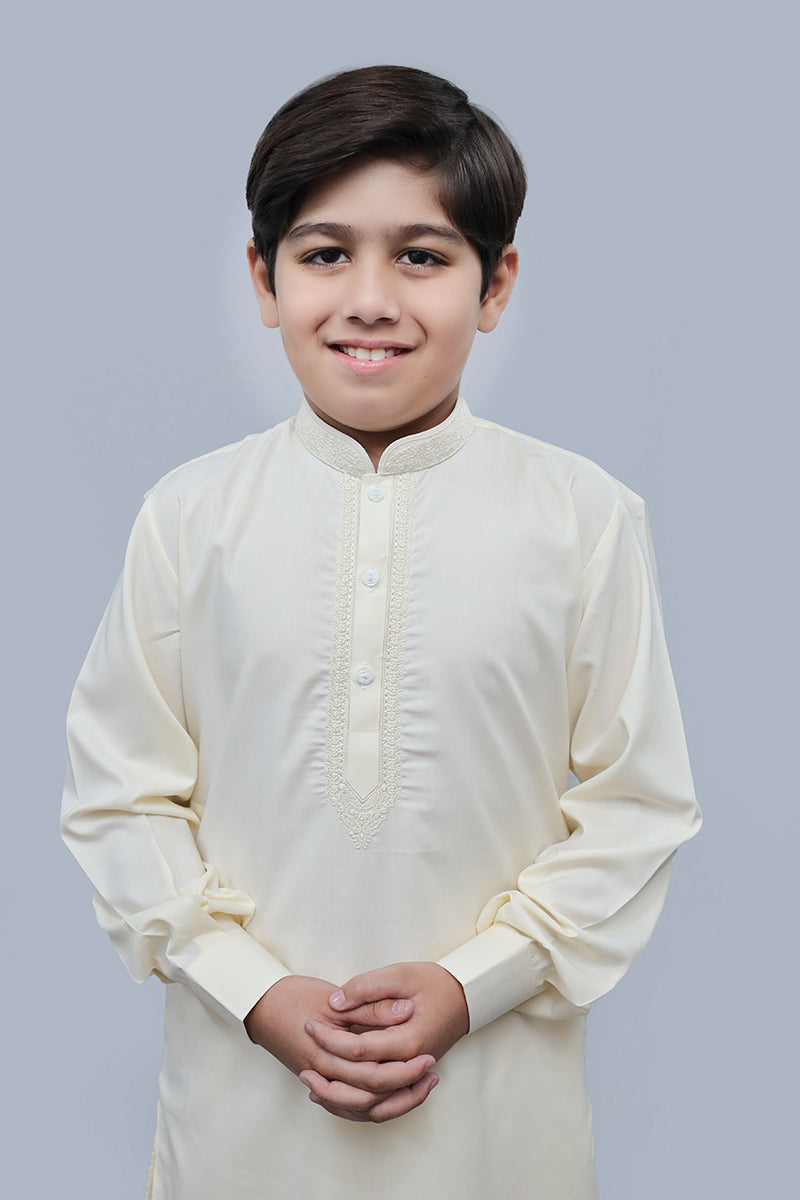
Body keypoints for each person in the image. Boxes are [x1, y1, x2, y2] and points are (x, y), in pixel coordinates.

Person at [61, 64, 701, 1200]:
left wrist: (472, 983)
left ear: (495, 284)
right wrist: (254, 990)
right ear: (261, 279)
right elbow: (119, 795)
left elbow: (638, 806)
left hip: (497, 1126)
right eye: (323, 254)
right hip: (239, 1121)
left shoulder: (583, 518)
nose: (368, 299)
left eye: (420, 256)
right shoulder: (190, 516)